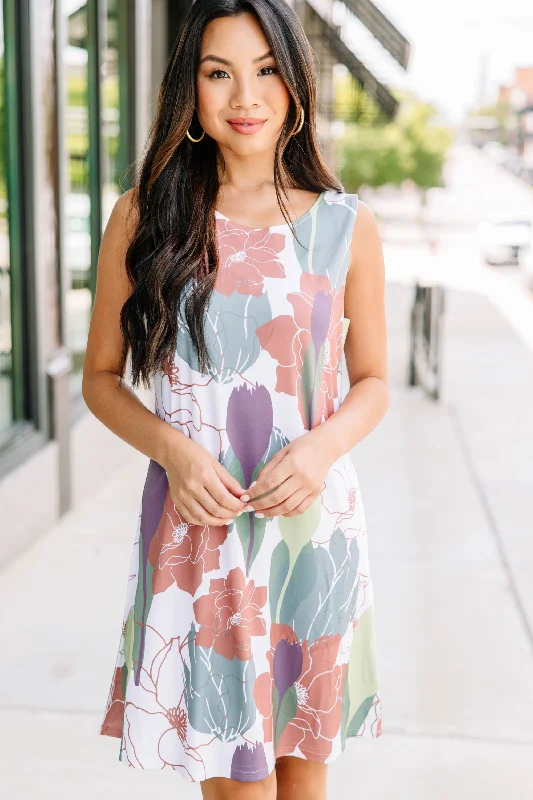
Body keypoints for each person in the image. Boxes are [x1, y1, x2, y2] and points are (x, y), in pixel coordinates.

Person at [82, 0, 389, 797]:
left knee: (303, 771)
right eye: (218, 73)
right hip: (198, 528)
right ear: (191, 89)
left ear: (294, 88)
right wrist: (172, 449)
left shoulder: (346, 224)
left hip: (308, 529)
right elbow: (100, 378)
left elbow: (374, 381)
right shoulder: (146, 216)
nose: (243, 96)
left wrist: (321, 448)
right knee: (234, 782)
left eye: (265, 71)